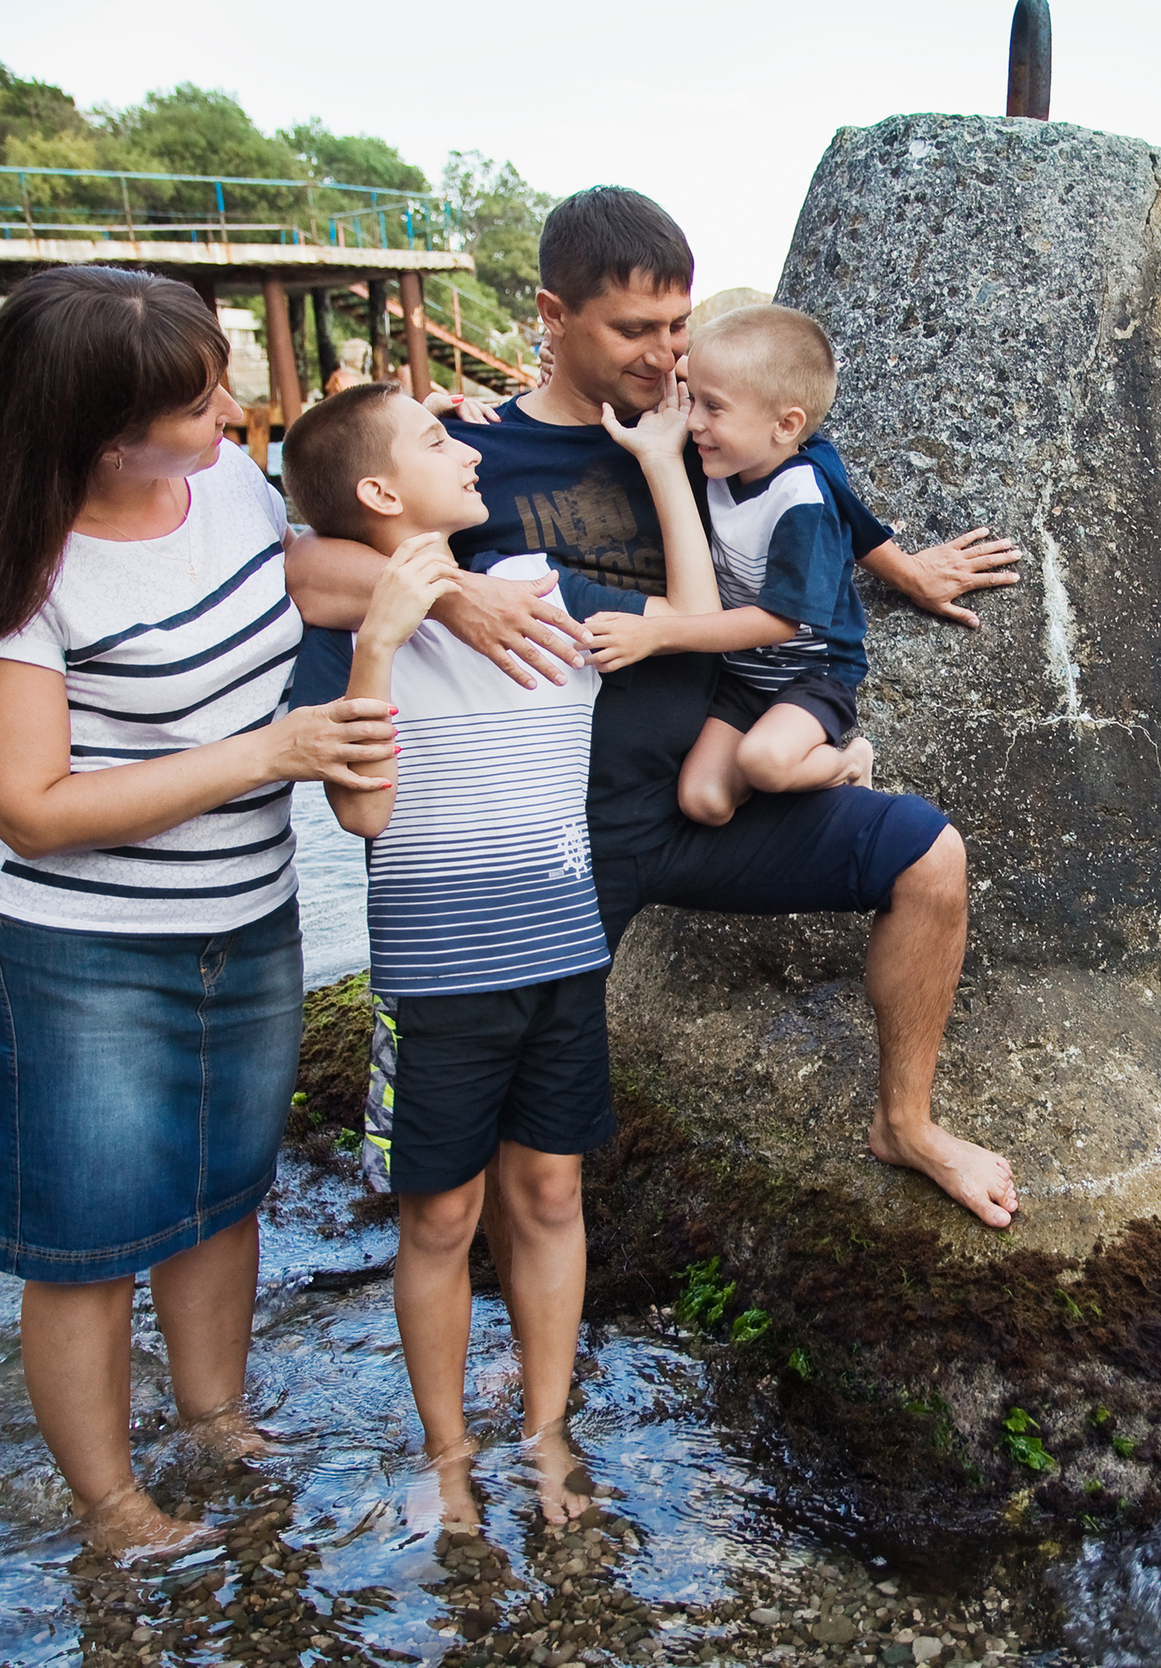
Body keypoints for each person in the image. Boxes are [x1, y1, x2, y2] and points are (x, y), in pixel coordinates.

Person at [286, 186, 1024, 1226]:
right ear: (552, 316)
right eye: (635, 329)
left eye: (676, 326)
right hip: (549, 839)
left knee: (928, 857)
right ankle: (508, 1316)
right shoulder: (468, 456)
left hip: (700, 796)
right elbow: (307, 569)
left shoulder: (698, 425)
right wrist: (459, 590)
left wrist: (903, 569)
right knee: (520, 1139)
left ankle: (903, 1122)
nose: (663, 352)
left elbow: (815, 478)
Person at [0, 265, 403, 1560]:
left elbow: (292, 570)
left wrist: (443, 591)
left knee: (223, 1189)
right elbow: (32, 804)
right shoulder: (17, 569)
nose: (231, 409)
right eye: (193, 401)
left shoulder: (224, 477)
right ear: (96, 433)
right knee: (86, 1242)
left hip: (249, 912)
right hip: (77, 952)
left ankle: (216, 1418)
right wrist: (273, 751)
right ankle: (111, 1502)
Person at [278, 377, 717, 1525]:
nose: (468, 443)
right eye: (437, 439)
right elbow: (362, 821)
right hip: (434, 983)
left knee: (553, 1195)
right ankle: (447, 1455)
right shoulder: (341, 635)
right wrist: (381, 636)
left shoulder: (538, 590)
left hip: (562, 957)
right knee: (437, 1220)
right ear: (379, 490)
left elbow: (688, 606)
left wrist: (665, 460)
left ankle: (545, 1430)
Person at [643, 302, 881, 824]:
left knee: (763, 761)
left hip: (810, 674)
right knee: (703, 801)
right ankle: (780, 784)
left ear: (785, 424)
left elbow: (780, 621)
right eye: (693, 399)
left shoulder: (803, 502)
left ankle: (846, 761)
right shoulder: (725, 462)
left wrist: (660, 633)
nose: (694, 421)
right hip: (743, 677)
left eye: (714, 407)